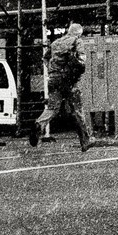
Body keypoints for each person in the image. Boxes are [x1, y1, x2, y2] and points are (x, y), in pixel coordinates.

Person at [32, 22, 93, 151]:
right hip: (69, 81)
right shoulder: (77, 41)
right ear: (79, 33)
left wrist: (52, 70)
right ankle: (85, 140)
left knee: (52, 108)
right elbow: (82, 61)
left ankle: (39, 124)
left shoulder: (55, 43)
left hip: (54, 80)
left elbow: (45, 58)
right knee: (77, 110)